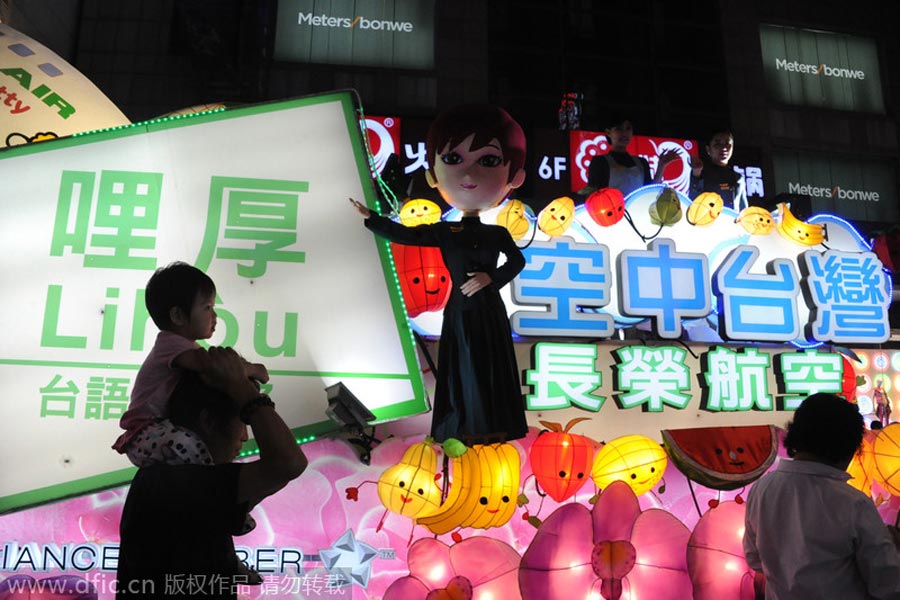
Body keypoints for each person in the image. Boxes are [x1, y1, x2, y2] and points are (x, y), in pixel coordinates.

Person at [350, 104, 528, 443]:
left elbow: (517, 262)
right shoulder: (445, 232)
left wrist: (493, 279)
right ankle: (462, 426)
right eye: (453, 160)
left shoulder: (497, 234)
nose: (469, 176)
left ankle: (496, 425)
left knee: (491, 365)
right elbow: (409, 235)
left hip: (490, 310)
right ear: (433, 174)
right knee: (462, 367)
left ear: (513, 177)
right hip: (460, 309)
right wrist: (372, 218)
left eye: (488, 161)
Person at [116, 346, 308, 599]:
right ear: (207, 421)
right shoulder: (178, 483)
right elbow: (288, 464)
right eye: (242, 423)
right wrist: (241, 387)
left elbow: (281, 471)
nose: (245, 436)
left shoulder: (170, 480)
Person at [743, 393, 900, 599]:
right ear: (849, 446)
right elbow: (887, 584)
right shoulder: (854, 503)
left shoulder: (762, 488)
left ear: (796, 436)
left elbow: (754, 559)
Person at [112, 261, 269, 466]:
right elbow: (213, 366)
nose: (214, 316)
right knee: (194, 450)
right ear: (178, 315)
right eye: (207, 307)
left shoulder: (182, 346)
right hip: (147, 431)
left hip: (157, 431)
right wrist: (253, 369)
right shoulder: (170, 344)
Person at [586, 116, 679, 197]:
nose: (624, 133)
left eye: (628, 128)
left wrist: (661, 166)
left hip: (637, 214)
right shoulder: (600, 162)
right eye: (618, 129)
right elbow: (592, 196)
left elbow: (649, 193)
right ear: (608, 132)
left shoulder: (642, 162)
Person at [689, 129, 748, 212]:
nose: (723, 148)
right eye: (717, 144)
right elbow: (692, 202)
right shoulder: (701, 173)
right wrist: (696, 172)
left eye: (727, 143)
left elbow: (745, 211)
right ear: (708, 149)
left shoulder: (738, 177)